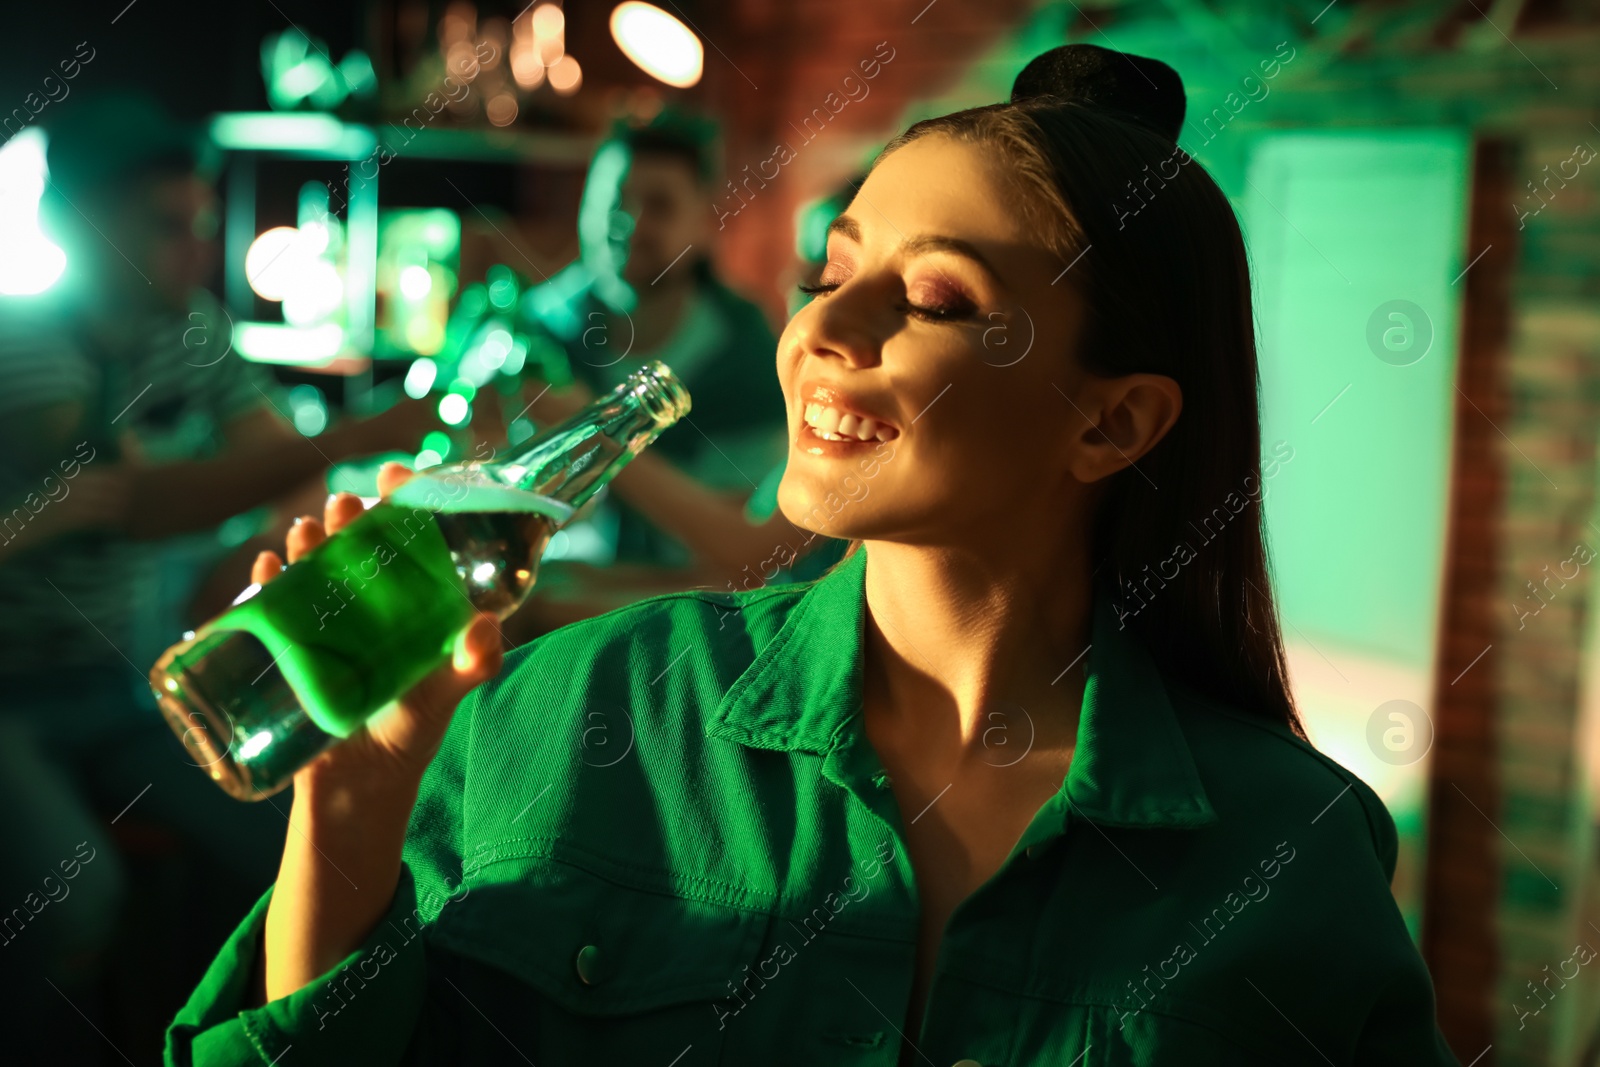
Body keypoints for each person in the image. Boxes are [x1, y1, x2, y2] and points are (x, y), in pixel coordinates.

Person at [165, 47, 1459, 1065]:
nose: (828, 325)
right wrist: (344, 823)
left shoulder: (1286, 853)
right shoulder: (580, 713)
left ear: (1112, 419)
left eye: (940, 298)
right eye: (825, 269)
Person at [0, 93, 432, 1058]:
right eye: (167, 225)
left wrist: (229, 583)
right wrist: (367, 432)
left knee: (275, 845)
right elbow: (132, 498)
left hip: (115, 685)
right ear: (81, 223)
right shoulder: (19, 340)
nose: (197, 246)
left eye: (199, 221)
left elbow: (281, 468)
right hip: (11, 694)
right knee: (72, 899)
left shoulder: (187, 330)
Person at [508, 110, 788, 573]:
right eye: (615, 202)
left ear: (703, 222)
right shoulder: (539, 329)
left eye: (659, 206)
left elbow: (738, 561)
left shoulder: (748, 358)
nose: (630, 224)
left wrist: (595, 430)